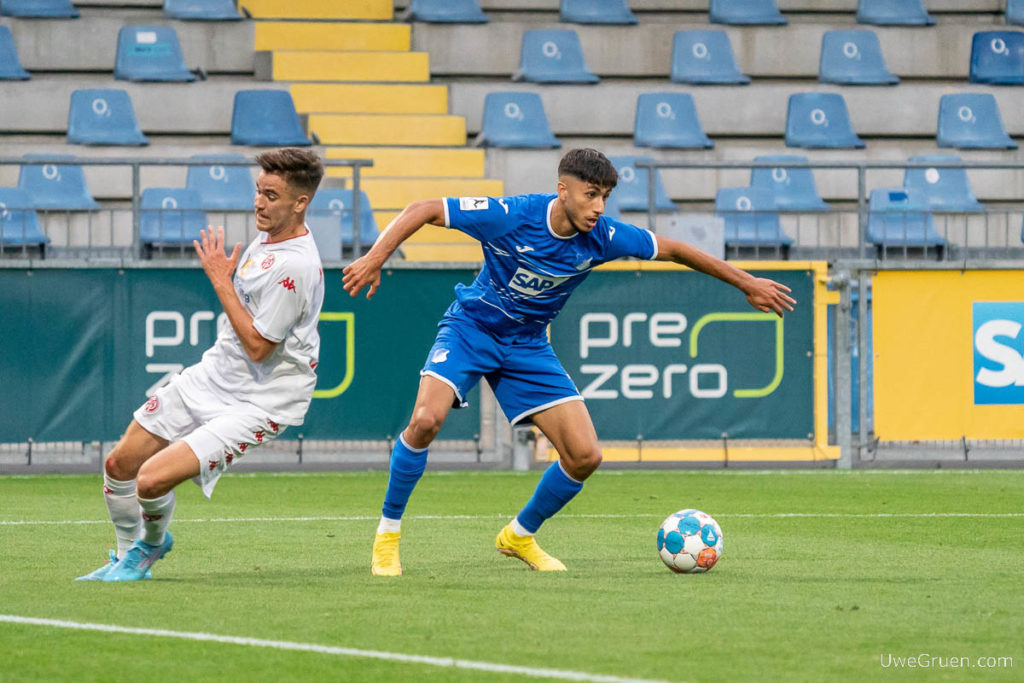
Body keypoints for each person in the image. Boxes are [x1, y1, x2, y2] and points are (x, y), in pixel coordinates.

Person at [342, 148, 796, 576]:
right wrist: (374, 258)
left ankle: (519, 536)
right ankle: (388, 536)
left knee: (584, 456)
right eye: (591, 194)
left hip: (527, 347)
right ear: (564, 190)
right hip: (471, 330)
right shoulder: (511, 215)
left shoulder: (605, 237)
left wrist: (746, 282)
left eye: (606, 197)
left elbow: (676, 249)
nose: (599, 207)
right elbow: (423, 208)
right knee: (425, 419)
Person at [76, 147, 326, 582]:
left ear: (300, 202)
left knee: (150, 481)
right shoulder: (268, 236)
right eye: (258, 192)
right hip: (214, 375)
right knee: (119, 465)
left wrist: (219, 280)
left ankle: (150, 547)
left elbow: (258, 348)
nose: (258, 203)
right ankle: (124, 556)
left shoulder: (296, 268)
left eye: (270, 195)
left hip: (261, 400)